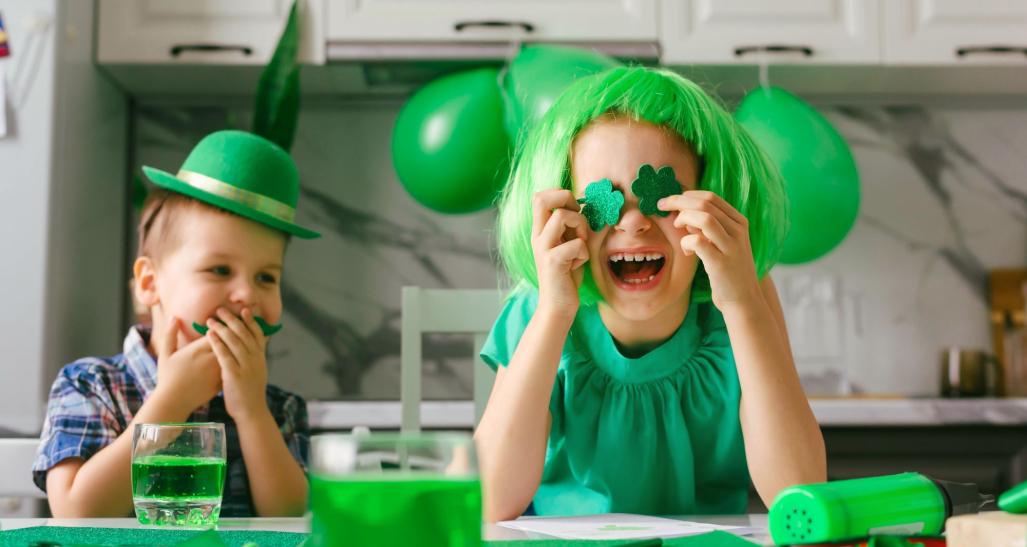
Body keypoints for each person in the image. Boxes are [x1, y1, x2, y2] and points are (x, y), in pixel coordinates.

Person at [474, 66, 826, 521]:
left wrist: (742, 306)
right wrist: (553, 313)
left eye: (661, 197)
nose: (633, 222)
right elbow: (490, 502)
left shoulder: (742, 297)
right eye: (603, 200)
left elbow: (797, 495)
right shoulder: (537, 309)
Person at [33, 130, 319, 518]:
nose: (247, 295)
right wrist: (173, 399)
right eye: (220, 270)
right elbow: (78, 514)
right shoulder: (91, 385)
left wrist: (251, 411)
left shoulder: (279, 409)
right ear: (151, 283)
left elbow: (291, 520)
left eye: (266, 277)